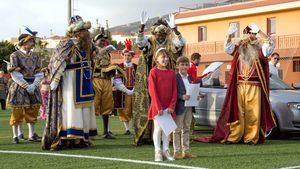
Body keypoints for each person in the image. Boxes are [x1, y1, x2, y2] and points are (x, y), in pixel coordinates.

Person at [195, 23, 276, 144]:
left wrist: (260, 32)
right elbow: (227, 47)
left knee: (253, 113)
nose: (250, 37)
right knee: (238, 112)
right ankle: (235, 136)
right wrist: (229, 35)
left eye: (253, 34)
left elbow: (270, 45)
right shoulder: (239, 49)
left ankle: (251, 138)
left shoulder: (260, 51)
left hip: (255, 87)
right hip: (239, 86)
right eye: (249, 34)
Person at [42, 15, 98, 150]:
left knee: (85, 109)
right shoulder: (66, 44)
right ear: (76, 32)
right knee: (71, 109)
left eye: (86, 30)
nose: (86, 33)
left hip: (85, 80)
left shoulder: (88, 45)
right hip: (70, 80)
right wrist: (55, 79)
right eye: (83, 30)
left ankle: (82, 138)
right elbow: (58, 62)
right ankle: (69, 137)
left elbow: (94, 58)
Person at [133, 11, 185, 145]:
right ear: (154, 35)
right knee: (152, 105)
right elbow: (140, 43)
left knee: (170, 103)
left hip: (168, 78)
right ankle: (149, 137)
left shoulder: (170, 42)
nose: (160, 37)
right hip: (152, 78)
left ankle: (170, 140)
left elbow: (180, 44)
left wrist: (175, 30)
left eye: (163, 34)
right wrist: (142, 27)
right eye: (158, 34)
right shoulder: (150, 42)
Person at [7, 29, 43, 144]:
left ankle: (32, 134)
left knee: (33, 109)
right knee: (17, 110)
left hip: (33, 84)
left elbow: (39, 71)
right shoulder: (15, 55)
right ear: (24, 43)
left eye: (33, 41)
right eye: (30, 41)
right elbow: (14, 73)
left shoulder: (36, 56)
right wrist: (26, 86)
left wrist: (35, 84)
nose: (32, 44)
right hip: (19, 86)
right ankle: (15, 135)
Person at [92, 28, 126, 139]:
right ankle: (90, 131)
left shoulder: (108, 54)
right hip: (96, 80)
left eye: (104, 40)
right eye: (100, 40)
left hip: (106, 80)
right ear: (95, 42)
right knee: (94, 105)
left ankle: (106, 131)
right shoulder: (93, 51)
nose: (102, 42)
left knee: (107, 106)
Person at [148, 48, 177, 161]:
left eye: (166, 57)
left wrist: (172, 106)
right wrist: (158, 107)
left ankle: (166, 150)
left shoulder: (171, 73)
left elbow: (174, 90)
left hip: (168, 107)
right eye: (162, 57)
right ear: (156, 59)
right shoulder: (153, 72)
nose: (165, 59)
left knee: (167, 130)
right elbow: (152, 91)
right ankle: (158, 151)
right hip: (158, 107)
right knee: (158, 128)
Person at [173, 56, 197, 159]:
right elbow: (173, 93)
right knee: (177, 129)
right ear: (177, 66)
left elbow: (192, 91)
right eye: (182, 64)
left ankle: (186, 151)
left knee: (187, 129)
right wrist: (181, 96)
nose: (184, 66)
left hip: (189, 106)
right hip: (180, 106)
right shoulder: (175, 77)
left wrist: (197, 96)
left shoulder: (190, 78)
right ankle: (177, 152)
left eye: (186, 64)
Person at [113, 39, 136, 135]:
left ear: (132, 56)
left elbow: (139, 79)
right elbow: (116, 80)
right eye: (125, 55)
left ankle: (136, 128)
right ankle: (127, 129)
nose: (127, 57)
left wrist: (134, 89)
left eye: (129, 55)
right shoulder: (119, 66)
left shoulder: (136, 66)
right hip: (123, 91)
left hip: (134, 91)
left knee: (135, 109)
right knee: (124, 110)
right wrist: (126, 90)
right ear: (123, 56)